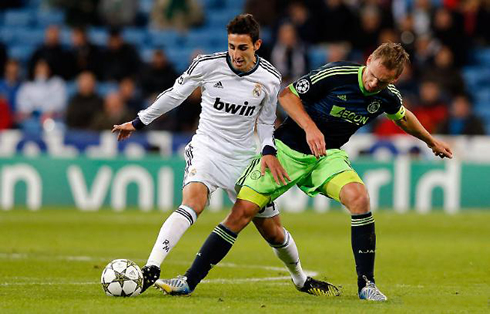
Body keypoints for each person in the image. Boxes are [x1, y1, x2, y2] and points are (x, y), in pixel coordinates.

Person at [159, 43, 453, 301]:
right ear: (368, 61)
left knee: (359, 199)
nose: (373, 83)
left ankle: (367, 285)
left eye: (382, 81)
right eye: (372, 74)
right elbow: (286, 96)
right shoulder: (337, 74)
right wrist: (310, 127)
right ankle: (188, 281)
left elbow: (403, 116)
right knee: (241, 214)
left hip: (326, 156)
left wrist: (431, 141)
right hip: (286, 150)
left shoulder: (387, 95)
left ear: (395, 79)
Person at [112, 14, 339, 297]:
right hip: (208, 148)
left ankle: (300, 279)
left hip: (245, 158)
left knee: (273, 231)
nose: (236, 54)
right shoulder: (208, 65)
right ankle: (151, 268)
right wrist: (137, 122)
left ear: (256, 44)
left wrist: (268, 150)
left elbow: (268, 122)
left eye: (242, 48)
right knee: (193, 201)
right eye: (232, 46)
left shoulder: (269, 78)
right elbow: (175, 95)